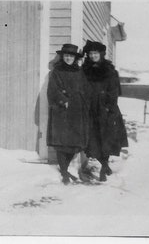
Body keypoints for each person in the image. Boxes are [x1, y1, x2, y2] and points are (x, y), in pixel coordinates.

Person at [82, 40, 128, 182]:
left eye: (95, 53)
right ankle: (104, 164)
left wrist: (108, 107)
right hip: (90, 109)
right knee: (93, 140)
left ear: (101, 54)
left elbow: (114, 91)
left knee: (106, 139)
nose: (93, 56)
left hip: (106, 109)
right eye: (90, 53)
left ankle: (103, 168)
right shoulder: (85, 70)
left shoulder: (110, 71)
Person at [47, 44, 91, 185]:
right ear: (62, 57)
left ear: (75, 58)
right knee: (61, 142)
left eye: (71, 56)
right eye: (66, 56)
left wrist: (84, 103)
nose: (68, 58)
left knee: (74, 142)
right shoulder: (57, 71)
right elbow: (52, 90)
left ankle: (65, 169)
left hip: (77, 110)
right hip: (61, 110)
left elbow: (85, 88)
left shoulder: (79, 71)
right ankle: (64, 172)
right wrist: (63, 100)